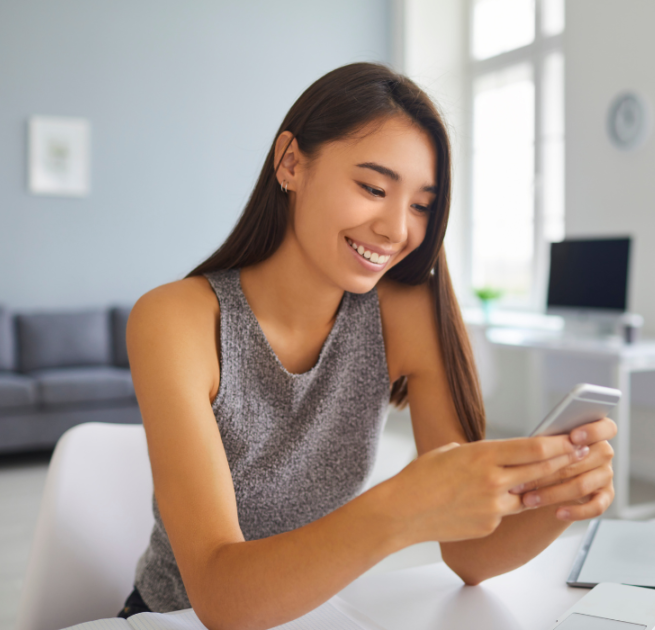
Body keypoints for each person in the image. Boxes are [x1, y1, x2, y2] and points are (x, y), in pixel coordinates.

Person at [118, 62, 616, 629]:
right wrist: (400, 508)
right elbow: (221, 597)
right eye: (374, 188)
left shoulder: (407, 311)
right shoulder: (175, 320)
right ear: (291, 163)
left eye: (421, 205)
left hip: (312, 616)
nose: (396, 229)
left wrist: (555, 500)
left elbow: (470, 553)